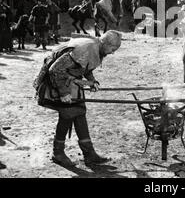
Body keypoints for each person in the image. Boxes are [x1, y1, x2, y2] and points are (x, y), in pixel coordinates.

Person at [32, 30, 122, 167]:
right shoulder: (86, 48)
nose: (113, 52)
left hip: (67, 79)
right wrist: (63, 93)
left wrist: (91, 81)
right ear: (105, 43)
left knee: (79, 111)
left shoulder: (96, 47)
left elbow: (83, 66)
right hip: (54, 81)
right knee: (68, 113)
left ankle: (89, 154)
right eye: (112, 49)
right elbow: (55, 70)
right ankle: (58, 153)